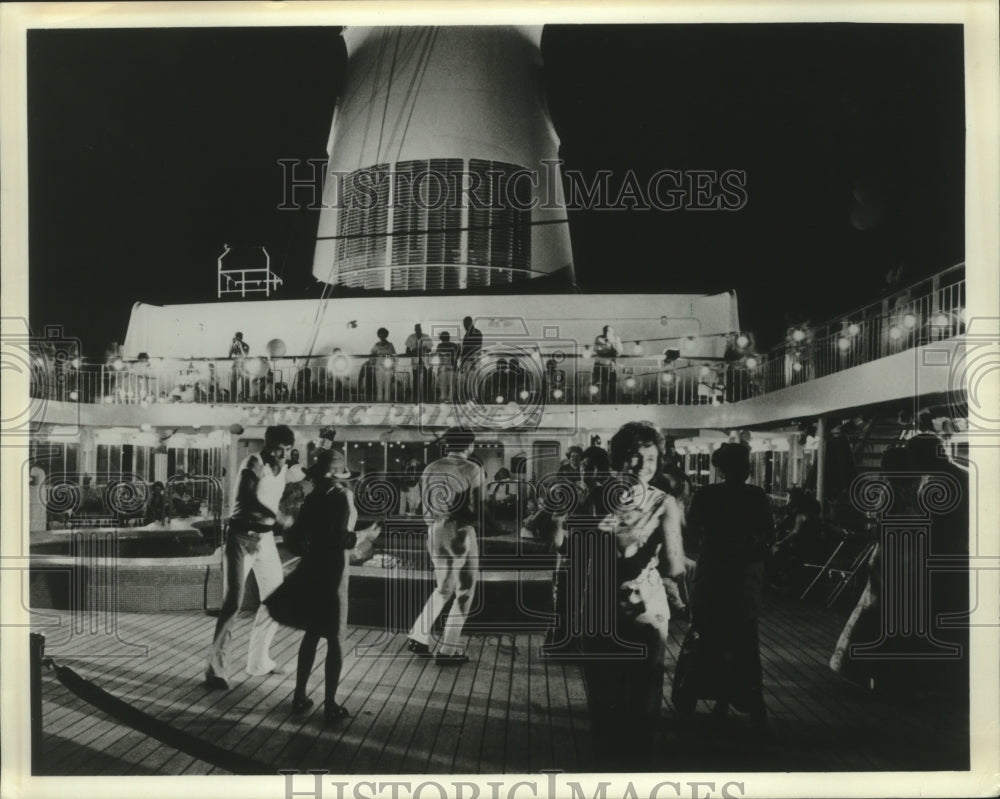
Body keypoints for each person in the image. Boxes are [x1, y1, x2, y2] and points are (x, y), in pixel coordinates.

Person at [575, 423, 686, 768]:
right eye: (634, 457)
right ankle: (628, 768)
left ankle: (618, 768)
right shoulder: (663, 504)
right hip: (622, 607)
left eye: (649, 458)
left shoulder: (593, 498)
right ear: (619, 459)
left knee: (608, 700)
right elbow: (675, 565)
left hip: (629, 609)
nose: (642, 465)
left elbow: (673, 564)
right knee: (640, 698)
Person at [672, 442, 773, 730]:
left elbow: (691, 533)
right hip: (744, 574)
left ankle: (692, 697)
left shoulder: (707, 495)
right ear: (745, 467)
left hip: (713, 569)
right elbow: (768, 533)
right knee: (742, 638)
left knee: (708, 635)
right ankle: (743, 702)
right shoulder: (757, 496)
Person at [263, 449, 359, 724]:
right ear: (341, 474)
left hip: (312, 567)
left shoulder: (313, 497)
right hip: (334, 571)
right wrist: (361, 539)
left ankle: (299, 696)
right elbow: (340, 537)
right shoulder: (343, 496)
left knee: (312, 634)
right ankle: (330, 704)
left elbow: (297, 536)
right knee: (335, 639)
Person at [204, 424, 294, 690]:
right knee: (233, 602)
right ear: (267, 445)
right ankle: (215, 670)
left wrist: (325, 442)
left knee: (276, 600)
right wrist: (278, 515)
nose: (282, 454)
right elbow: (248, 496)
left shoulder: (285, 465)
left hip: (265, 540)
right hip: (241, 538)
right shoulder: (252, 464)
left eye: (287, 450)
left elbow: (307, 475)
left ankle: (258, 662)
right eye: (278, 449)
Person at [406, 426, 483, 665]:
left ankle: (419, 635)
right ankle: (448, 651)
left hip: (434, 531)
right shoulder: (472, 468)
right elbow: (477, 508)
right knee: (465, 592)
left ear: (448, 445)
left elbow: (420, 506)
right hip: (459, 532)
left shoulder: (430, 468)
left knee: (443, 588)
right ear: (470, 446)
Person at [592, 325, 622, 402]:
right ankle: (600, 400)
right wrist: (609, 351)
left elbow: (618, 352)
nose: (606, 332)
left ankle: (611, 401)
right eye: (605, 330)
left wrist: (611, 344)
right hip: (599, 365)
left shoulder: (616, 339)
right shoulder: (599, 338)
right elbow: (597, 350)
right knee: (600, 384)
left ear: (612, 332)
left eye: (608, 331)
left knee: (612, 384)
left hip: (611, 365)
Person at [405, 323, 433, 402]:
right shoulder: (411, 337)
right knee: (416, 380)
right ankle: (415, 397)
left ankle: (426, 397)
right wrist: (414, 351)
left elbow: (430, 349)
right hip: (416, 361)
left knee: (427, 379)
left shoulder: (426, 336)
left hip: (425, 361)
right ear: (415, 329)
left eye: (419, 328)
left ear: (421, 329)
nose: (418, 330)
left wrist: (423, 350)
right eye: (416, 329)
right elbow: (407, 350)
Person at [459, 316, 483, 400]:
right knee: (468, 378)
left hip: (472, 359)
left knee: (472, 378)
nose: (464, 326)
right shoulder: (468, 334)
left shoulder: (475, 333)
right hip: (468, 359)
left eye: (465, 324)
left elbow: (477, 347)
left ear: (469, 323)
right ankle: (471, 396)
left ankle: (473, 396)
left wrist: (474, 359)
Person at [370, 328, 397, 402]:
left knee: (387, 387)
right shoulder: (376, 345)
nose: (382, 336)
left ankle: (387, 403)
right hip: (379, 368)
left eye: (383, 334)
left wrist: (393, 369)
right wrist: (373, 365)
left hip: (388, 368)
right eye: (380, 334)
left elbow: (394, 357)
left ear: (386, 335)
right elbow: (371, 356)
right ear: (379, 335)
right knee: (379, 387)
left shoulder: (390, 345)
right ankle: (379, 404)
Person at [434, 331, 459, 401]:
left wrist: (439, 369)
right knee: (451, 385)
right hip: (452, 367)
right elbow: (457, 356)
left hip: (443, 367)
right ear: (448, 338)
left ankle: (443, 398)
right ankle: (450, 399)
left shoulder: (440, 346)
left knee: (443, 385)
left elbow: (438, 356)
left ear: (442, 338)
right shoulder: (454, 345)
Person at [229, 332, 250, 400]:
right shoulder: (234, 345)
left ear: (241, 338)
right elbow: (229, 356)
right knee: (233, 382)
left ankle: (245, 397)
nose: (238, 339)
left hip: (244, 365)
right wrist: (232, 346)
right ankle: (233, 398)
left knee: (245, 383)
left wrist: (240, 346)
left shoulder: (246, 345)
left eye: (239, 337)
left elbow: (245, 355)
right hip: (236, 365)